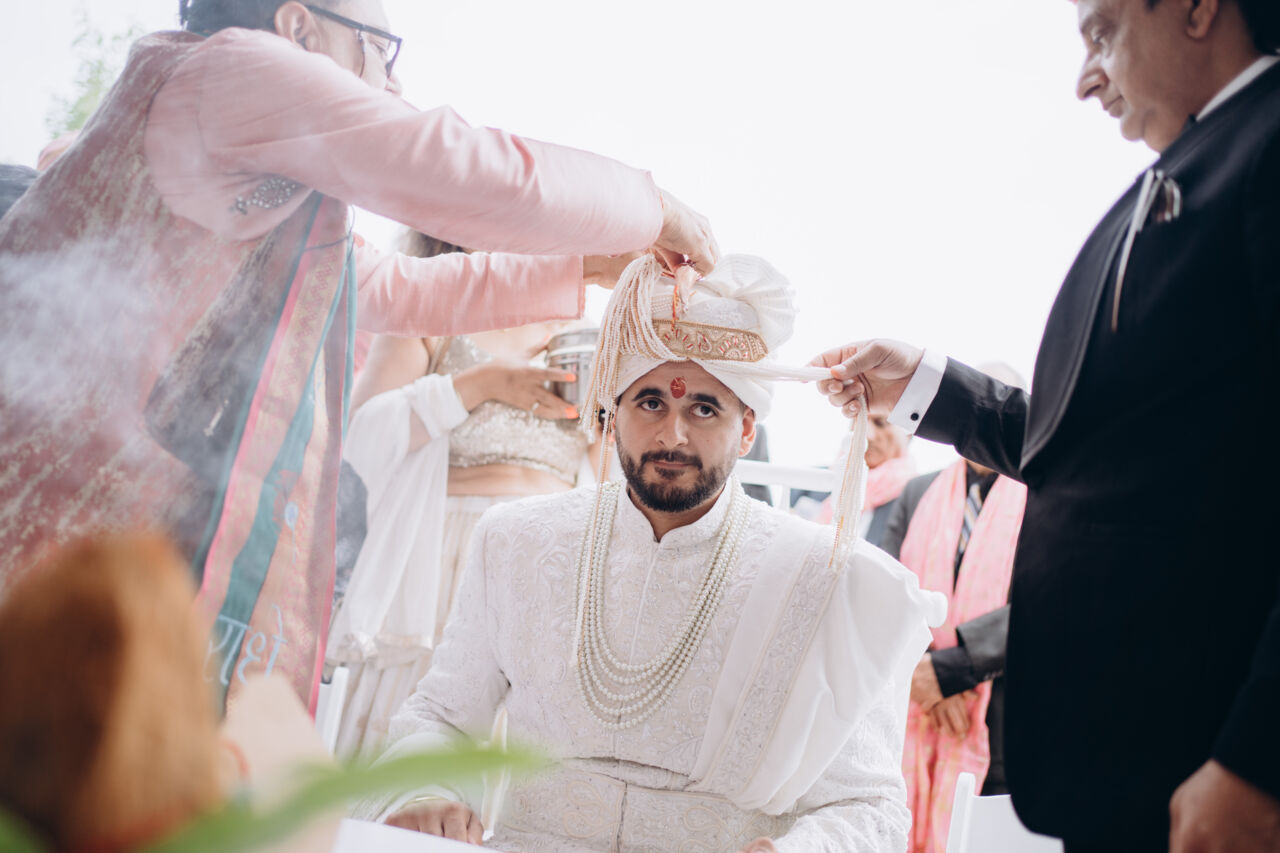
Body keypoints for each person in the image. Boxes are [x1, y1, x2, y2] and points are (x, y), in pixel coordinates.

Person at [0, 0, 717, 712]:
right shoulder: (234, 70)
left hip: (101, 496)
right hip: (55, 482)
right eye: (380, 50)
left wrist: (583, 266)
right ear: (299, 28)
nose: (393, 84)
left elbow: (393, 287)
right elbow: (452, 166)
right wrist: (653, 208)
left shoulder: (252, 147)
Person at [812, 1, 1280, 849]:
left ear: (1198, 8)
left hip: (1208, 766)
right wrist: (925, 384)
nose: (1084, 80)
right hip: (1134, 763)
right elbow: (1100, 448)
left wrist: (1258, 761)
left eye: (1102, 33)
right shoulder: (1198, 163)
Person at [363, 254, 946, 851]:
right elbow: (441, 718)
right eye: (649, 403)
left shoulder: (824, 578)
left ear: (747, 428)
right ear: (612, 415)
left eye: (704, 408)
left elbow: (868, 806)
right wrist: (425, 793)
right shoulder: (518, 542)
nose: (672, 435)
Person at [328, 232, 596, 758]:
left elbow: (609, 478)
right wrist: (477, 386)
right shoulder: (426, 310)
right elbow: (360, 438)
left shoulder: (580, 334)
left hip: (546, 565)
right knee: (416, 737)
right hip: (442, 564)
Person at [875, 364, 1027, 853]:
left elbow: (1044, 601)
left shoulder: (1042, 498)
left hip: (1001, 712)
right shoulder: (918, 492)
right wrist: (924, 675)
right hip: (916, 702)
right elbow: (886, 593)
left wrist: (952, 671)